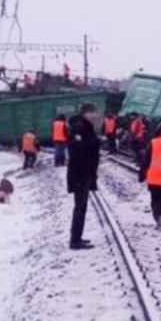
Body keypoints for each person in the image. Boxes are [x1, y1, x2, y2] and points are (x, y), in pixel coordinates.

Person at [67, 103, 101, 250]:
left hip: (83, 173)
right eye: (92, 113)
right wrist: (95, 144)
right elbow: (78, 150)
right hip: (80, 174)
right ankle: (75, 241)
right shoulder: (79, 128)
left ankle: (77, 237)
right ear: (85, 113)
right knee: (80, 207)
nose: (95, 116)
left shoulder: (85, 127)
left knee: (82, 206)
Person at [139, 120, 161, 229]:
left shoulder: (153, 143)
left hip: (154, 178)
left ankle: (158, 217)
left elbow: (146, 161)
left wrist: (142, 174)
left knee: (156, 200)